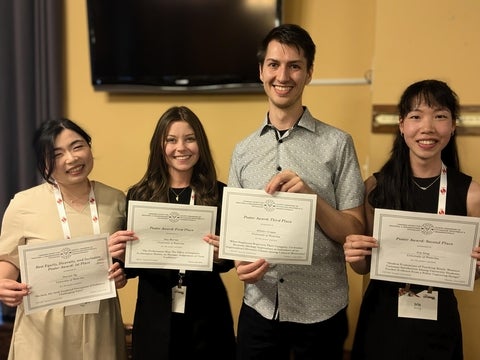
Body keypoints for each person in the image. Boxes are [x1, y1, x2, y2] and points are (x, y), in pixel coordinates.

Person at [228, 23, 366, 360]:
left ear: (309, 73)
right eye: (274, 64)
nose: (283, 75)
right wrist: (240, 262)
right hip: (258, 309)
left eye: (295, 66)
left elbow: (354, 231)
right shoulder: (243, 151)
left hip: (321, 312)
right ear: (261, 71)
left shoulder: (338, 144)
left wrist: (311, 197)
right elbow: (237, 235)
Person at [344, 79, 480, 360]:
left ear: (453, 126)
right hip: (381, 320)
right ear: (401, 125)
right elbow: (364, 266)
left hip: (438, 326)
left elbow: (472, 271)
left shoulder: (472, 194)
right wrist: (356, 255)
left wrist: (478, 266)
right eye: (416, 116)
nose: (427, 128)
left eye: (440, 116)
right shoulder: (375, 187)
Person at [109, 106, 236, 359]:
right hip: (154, 311)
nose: (181, 148)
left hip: (207, 312)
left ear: (200, 144)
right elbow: (133, 267)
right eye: (171, 140)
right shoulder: (140, 195)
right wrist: (121, 259)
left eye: (190, 139)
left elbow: (229, 261)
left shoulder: (220, 194)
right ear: (159, 146)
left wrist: (224, 254)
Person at [0, 118, 132, 360]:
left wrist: (120, 271)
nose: (71, 158)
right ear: (43, 162)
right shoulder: (23, 204)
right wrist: (4, 286)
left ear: (89, 147)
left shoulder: (116, 200)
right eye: (57, 153)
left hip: (99, 324)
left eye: (77, 146)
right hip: (44, 330)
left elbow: (121, 259)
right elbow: (8, 260)